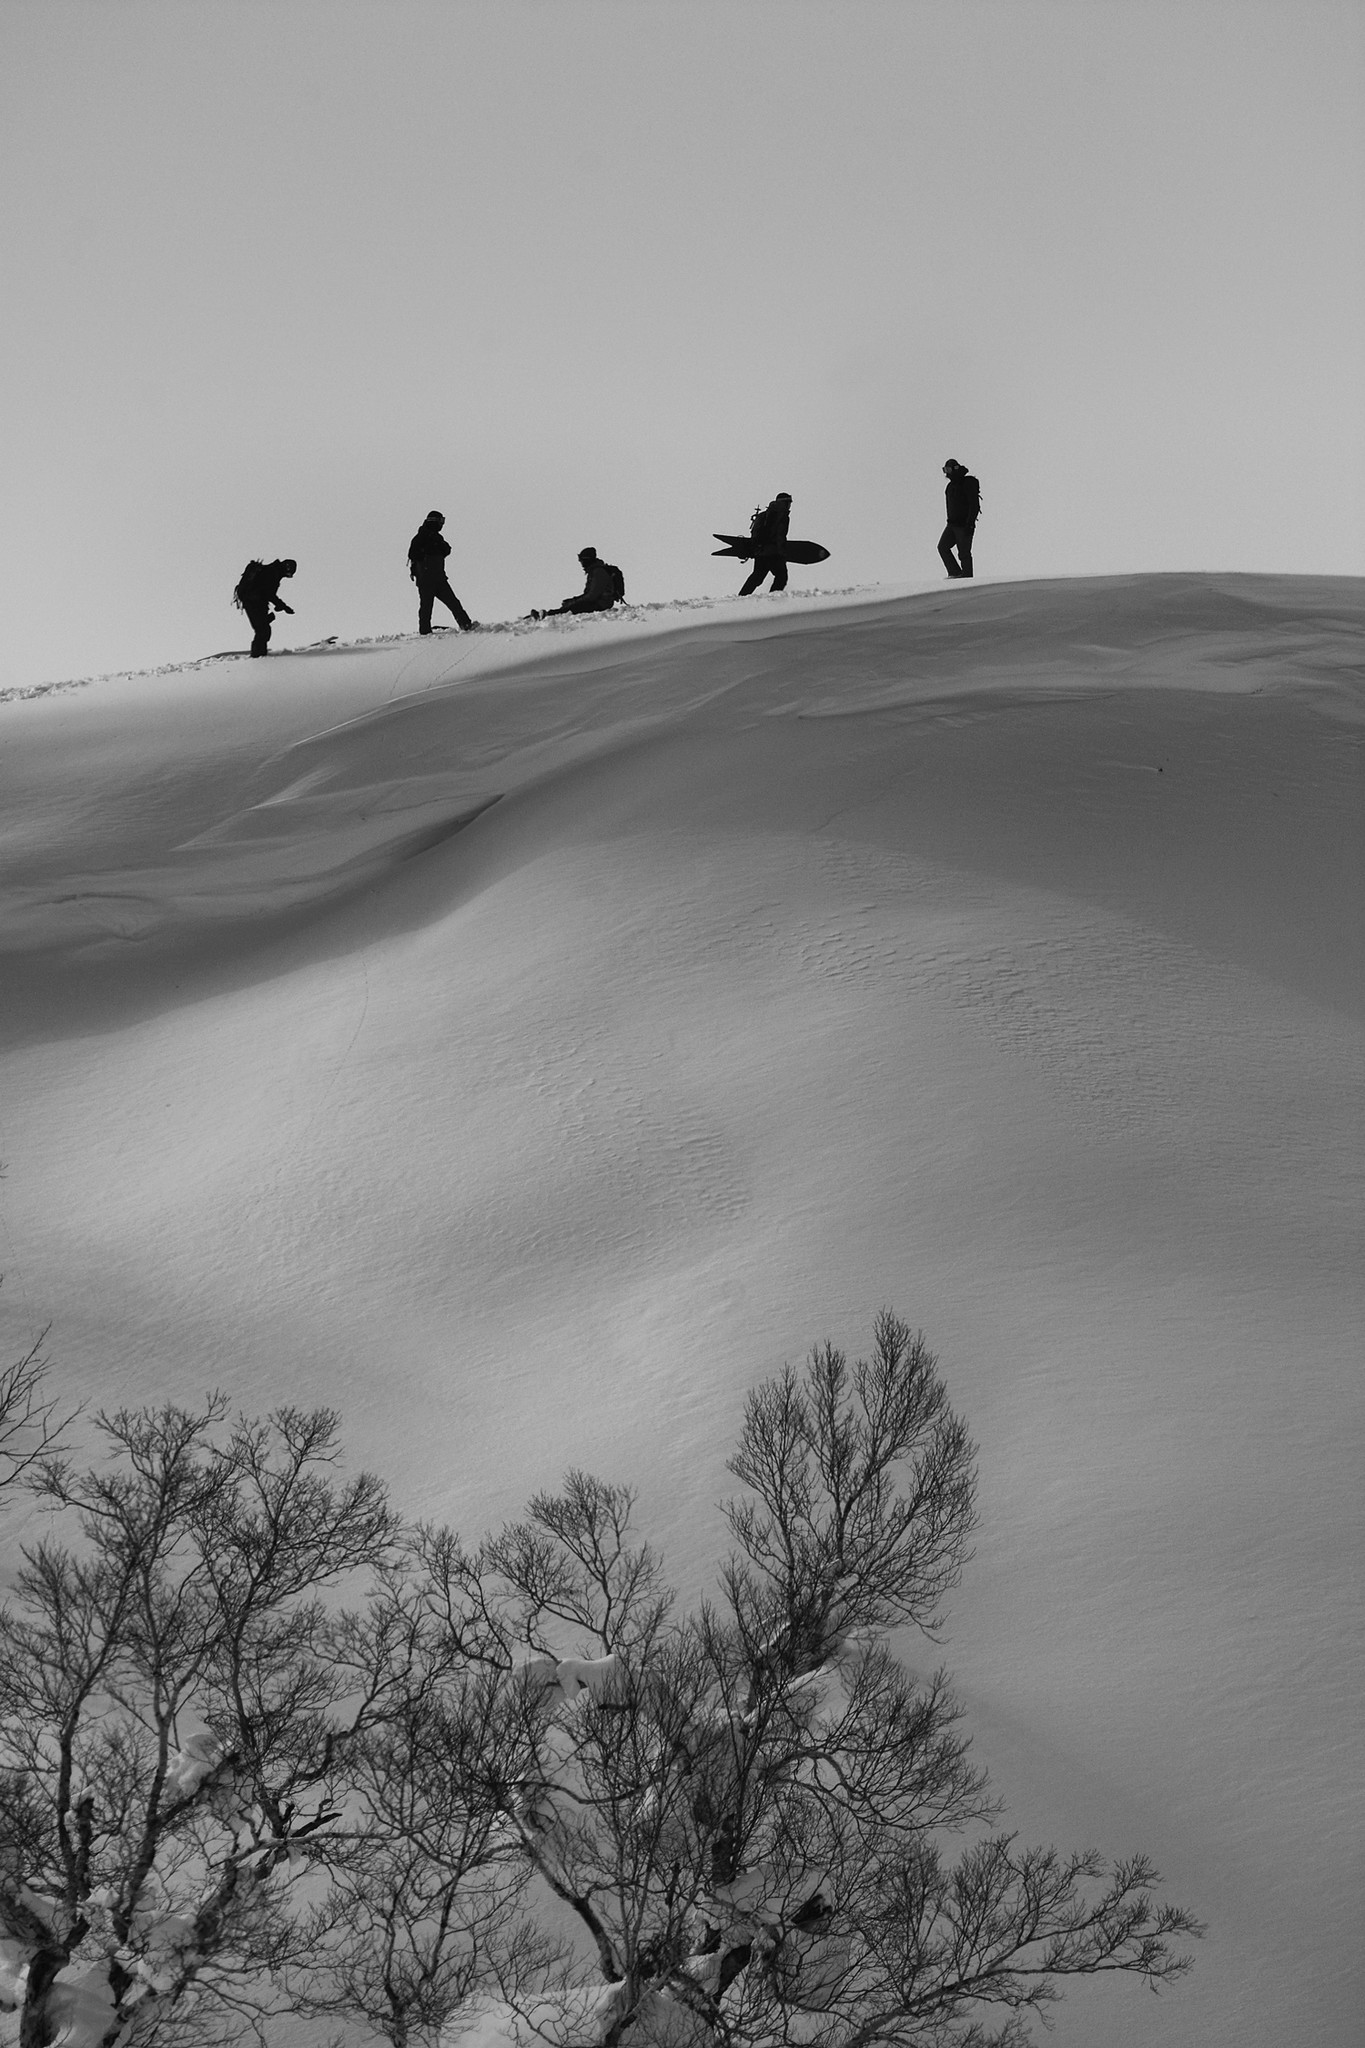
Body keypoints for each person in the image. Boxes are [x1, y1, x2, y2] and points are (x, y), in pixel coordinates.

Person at [407, 511, 475, 633]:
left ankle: (465, 624)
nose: (442, 524)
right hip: (428, 579)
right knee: (428, 607)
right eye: (440, 521)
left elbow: (447, 549)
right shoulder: (421, 538)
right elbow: (413, 554)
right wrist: (429, 549)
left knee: (450, 603)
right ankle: (426, 631)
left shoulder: (434, 537)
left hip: (437, 578)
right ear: (434, 522)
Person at [530, 547, 626, 618]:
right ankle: (547, 614)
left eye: (582, 560)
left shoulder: (598, 573)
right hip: (599, 602)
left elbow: (592, 596)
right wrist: (573, 600)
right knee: (574, 606)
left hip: (601, 604)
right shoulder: (594, 572)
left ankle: (547, 615)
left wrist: (573, 601)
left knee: (575, 608)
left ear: (587, 560)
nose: (581, 563)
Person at [233, 558, 297, 657]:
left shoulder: (273, 571)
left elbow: (268, 593)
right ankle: (258, 657)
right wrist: (283, 606)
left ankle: (260, 654)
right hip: (253, 602)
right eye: (288, 574)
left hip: (255, 602)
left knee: (263, 629)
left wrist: (281, 606)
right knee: (262, 630)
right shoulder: (272, 573)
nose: (287, 576)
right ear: (287, 568)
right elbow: (269, 594)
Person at [739, 493, 792, 594]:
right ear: (784, 503)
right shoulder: (782, 515)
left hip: (760, 551)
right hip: (773, 552)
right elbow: (780, 535)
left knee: (757, 576)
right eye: (789, 503)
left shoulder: (764, 514)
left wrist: (756, 548)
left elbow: (755, 532)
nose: (790, 505)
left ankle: (742, 596)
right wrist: (782, 552)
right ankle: (774, 598)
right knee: (781, 576)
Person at [938, 460, 980, 578]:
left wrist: (970, 524)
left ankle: (966, 579)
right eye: (945, 470)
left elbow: (974, 505)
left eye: (948, 470)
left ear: (955, 468)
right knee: (943, 547)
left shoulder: (967, 483)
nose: (946, 473)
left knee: (964, 553)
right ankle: (955, 573)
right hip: (951, 525)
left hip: (964, 525)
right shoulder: (950, 486)